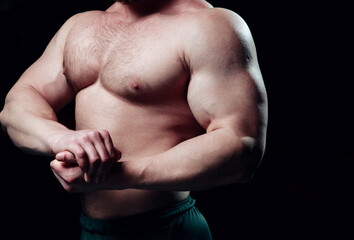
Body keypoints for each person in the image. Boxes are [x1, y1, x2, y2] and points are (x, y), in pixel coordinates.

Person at [0, 0, 267, 239]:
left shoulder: (208, 25)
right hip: (92, 230)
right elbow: (16, 106)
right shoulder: (79, 26)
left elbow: (242, 146)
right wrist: (60, 137)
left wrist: (116, 175)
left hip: (167, 228)